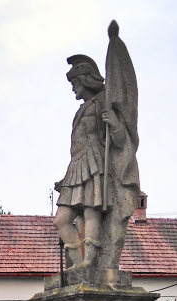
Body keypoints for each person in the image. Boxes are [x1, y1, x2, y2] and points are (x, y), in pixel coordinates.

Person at [53, 54, 131, 270]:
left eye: (75, 83)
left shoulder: (103, 102)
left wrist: (114, 123)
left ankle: (90, 262)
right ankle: (78, 264)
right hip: (76, 166)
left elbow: (121, 139)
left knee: (91, 211)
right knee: (61, 219)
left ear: (86, 80)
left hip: (95, 162)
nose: (73, 89)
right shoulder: (84, 108)